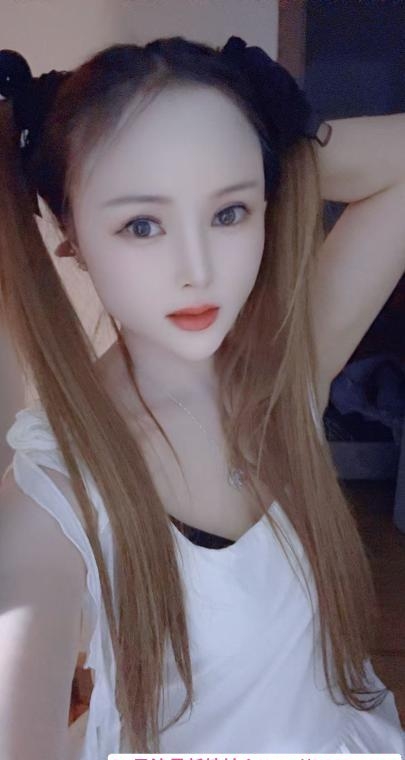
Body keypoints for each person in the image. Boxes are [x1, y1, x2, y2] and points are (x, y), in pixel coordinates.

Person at [0, 35, 404, 759]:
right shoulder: (52, 501)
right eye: (143, 224)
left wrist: (264, 143)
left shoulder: (283, 375)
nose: (198, 269)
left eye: (229, 213)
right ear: (71, 232)